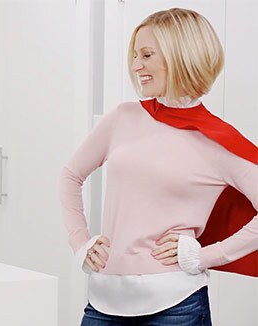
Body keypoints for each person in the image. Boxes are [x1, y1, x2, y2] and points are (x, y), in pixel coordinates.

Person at [60, 8, 257, 325]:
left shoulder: (217, 140)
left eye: (147, 54)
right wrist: (80, 241)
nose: (136, 66)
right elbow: (70, 175)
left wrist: (204, 256)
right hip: (103, 301)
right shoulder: (122, 117)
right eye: (136, 55)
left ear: (182, 56)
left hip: (175, 306)